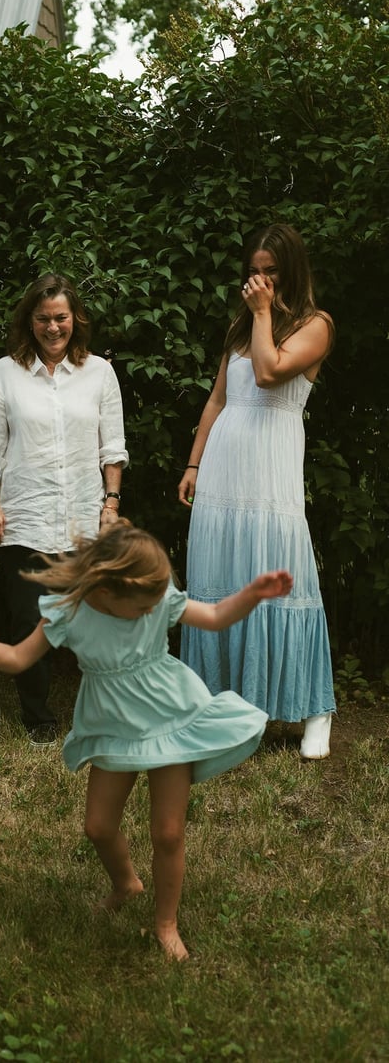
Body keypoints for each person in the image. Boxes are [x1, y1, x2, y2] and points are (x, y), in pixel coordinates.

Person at [0, 520, 292, 961]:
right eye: (143, 606)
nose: (152, 611)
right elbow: (15, 659)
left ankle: (166, 923)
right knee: (98, 827)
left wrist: (253, 594)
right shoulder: (68, 612)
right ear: (105, 591)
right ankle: (126, 883)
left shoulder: (156, 598)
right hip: (111, 728)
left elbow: (217, 617)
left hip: (171, 720)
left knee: (168, 833)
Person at [177, 224, 336, 760]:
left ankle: (316, 709)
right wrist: (195, 462)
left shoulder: (316, 325)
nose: (260, 280)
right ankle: (224, 706)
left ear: (290, 271)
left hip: (271, 472)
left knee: (280, 578)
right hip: (224, 469)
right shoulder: (241, 328)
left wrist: (265, 313)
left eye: (271, 271)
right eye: (255, 271)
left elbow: (269, 376)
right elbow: (219, 400)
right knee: (221, 581)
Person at [0, 273, 128, 746]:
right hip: (24, 515)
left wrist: (111, 502)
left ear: (74, 319)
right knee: (29, 621)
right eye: (43, 318)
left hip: (85, 516)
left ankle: (101, 715)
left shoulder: (100, 372)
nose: (53, 327)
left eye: (61, 317)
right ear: (30, 322)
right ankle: (39, 720)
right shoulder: (5, 372)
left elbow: (113, 446)